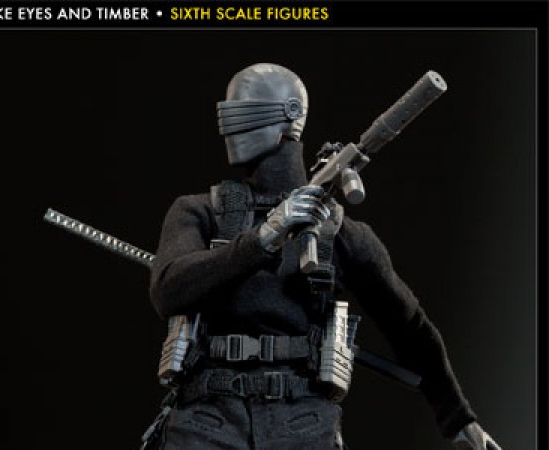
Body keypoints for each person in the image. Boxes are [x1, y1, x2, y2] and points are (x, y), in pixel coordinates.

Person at [148, 63, 501, 450]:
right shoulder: (200, 212)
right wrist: (263, 238)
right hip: (206, 420)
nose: (231, 123)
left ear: (291, 115)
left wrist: (457, 417)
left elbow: (410, 328)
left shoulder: (338, 231)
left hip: (303, 424)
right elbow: (168, 291)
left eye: (245, 109)